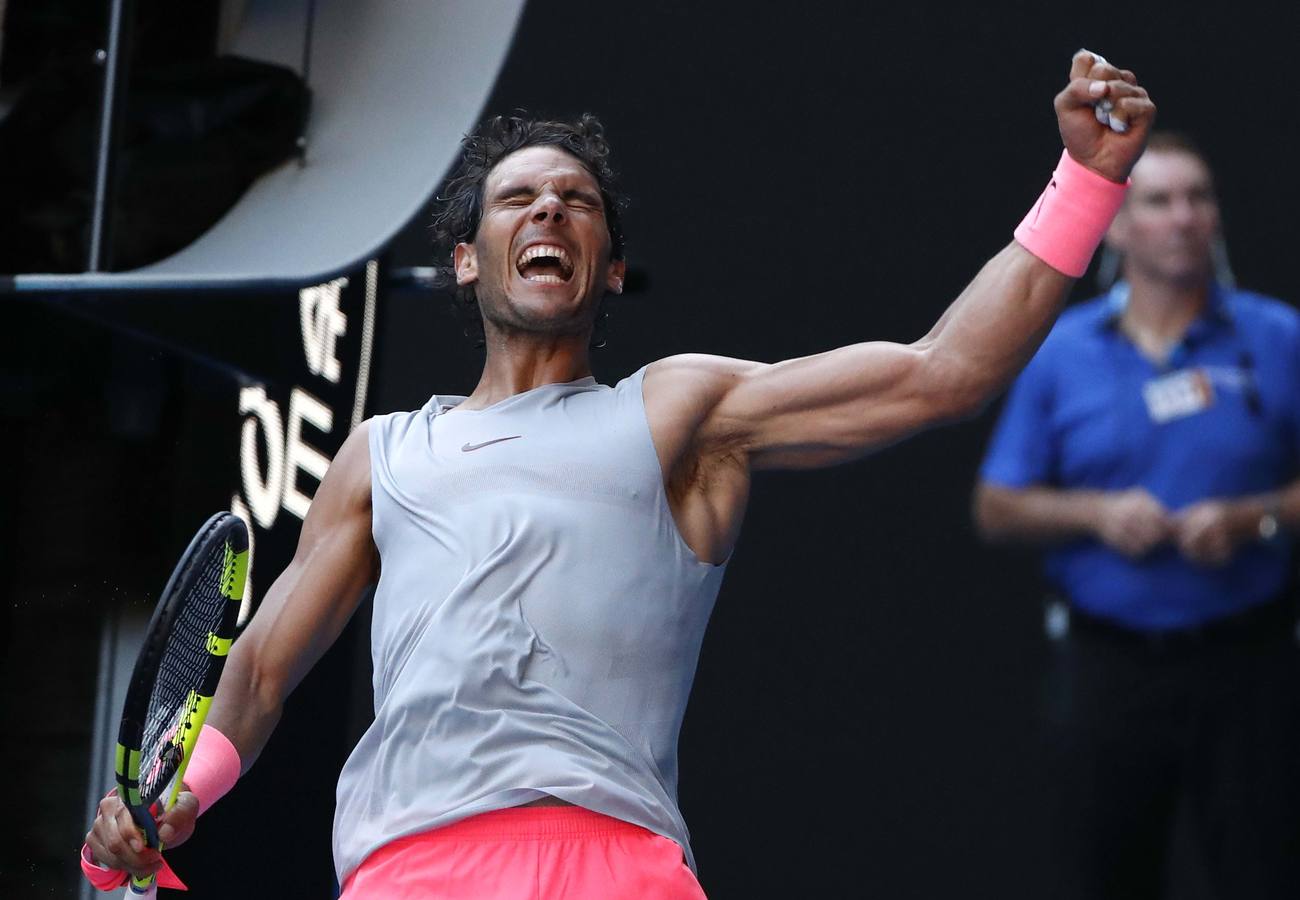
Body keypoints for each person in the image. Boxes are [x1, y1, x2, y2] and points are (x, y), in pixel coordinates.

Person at [83, 50, 1154, 898]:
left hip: (616, 865)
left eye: (576, 200)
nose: (548, 210)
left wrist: (1085, 181)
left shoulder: (680, 411)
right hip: (408, 868)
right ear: (466, 259)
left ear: (611, 265)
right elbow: (262, 666)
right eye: (518, 200)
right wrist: (178, 798)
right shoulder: (384, 450)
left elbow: (939, 375)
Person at [974, 133, 1300, 898]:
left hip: (1248, 661)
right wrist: (1094, 513)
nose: (1184, 217)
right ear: (1116, 224)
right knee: (1105, 875)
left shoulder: (1277, 337)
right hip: (1109, 668)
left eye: (1200, 198)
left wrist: (1256, 518)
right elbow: (997, 505)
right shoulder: (1062, 351)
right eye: (1159, 200)